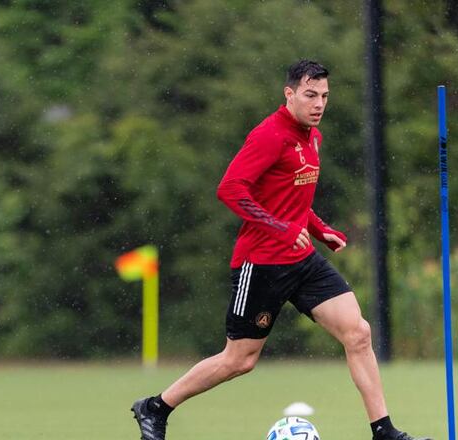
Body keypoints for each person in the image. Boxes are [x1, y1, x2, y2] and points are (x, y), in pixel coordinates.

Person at [131, 60, 431, 440]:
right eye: (310, 95)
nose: (318, 103)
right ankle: (156, 407)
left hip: (302, 260)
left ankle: (384, 432)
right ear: (288, 94)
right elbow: (231, 189)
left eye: (324, 96)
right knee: (239, 360)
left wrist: (320, 230)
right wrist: (281, 228)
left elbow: (293, 200)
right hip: (262, 263)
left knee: (358, 333)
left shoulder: (312, 137)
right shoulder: (269, 135)